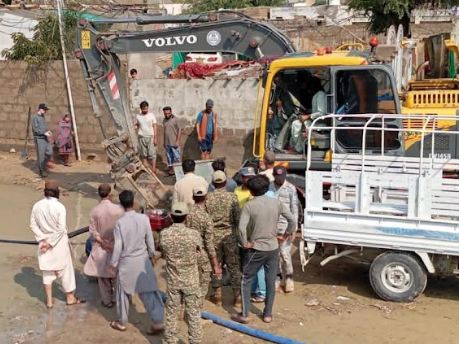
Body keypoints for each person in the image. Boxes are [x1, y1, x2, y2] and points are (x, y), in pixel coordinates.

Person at [232, 175, 295, 324]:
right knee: (270, 281)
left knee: (246, 280)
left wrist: (244, 242)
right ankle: (267, 315)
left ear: (251, 191)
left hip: (255, 249)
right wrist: (284, 235)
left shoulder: (249, 205)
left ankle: (245, 314)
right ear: (267, 188)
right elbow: (292, 220)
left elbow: (241, 228)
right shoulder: (276, 203)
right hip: (273, 248)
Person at [109, 190, 164, 334]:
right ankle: (158, 322)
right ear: (133, 202)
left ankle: (121, 322)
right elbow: (150, 240)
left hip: (127, 263)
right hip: (143, 261)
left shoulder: (119, 223)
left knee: (122, 293)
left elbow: (118, 246)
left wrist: (113, 264)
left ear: (121, 204)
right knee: (150, 292)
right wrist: (152, 255)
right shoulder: (144, 219)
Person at [30, 180, 84, 308]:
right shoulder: (60, 207)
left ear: (45, 192)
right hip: (58, 243)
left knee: (47, 273)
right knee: (66, 271)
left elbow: (32, 225)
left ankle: (49, 301)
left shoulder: (37, 206)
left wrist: (42, 239)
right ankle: (70, 297)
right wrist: (50, 243)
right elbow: (60, 229)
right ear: (57, 192)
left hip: (43, 243)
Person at [160, 202, 202, 344]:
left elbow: (164, 252)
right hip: (191, 280)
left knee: (172, 312)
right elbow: (199, 253)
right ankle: (194, 341)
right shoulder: (193, 234)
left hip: (173, 280)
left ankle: (170, 340)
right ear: (186, 216)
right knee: (193, 313)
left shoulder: (164, 234)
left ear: (171, 216)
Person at [83, 184, 124, 308]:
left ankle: (107, 301)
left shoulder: (95, 211)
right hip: (116, 246)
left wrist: (102, 242)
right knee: (117, 275)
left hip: (101, 247)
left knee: (103, 277)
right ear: (110, 194)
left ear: (99, 194)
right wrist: (112, 243)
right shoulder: (119, 209)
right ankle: (117, 299)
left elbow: (93, 232)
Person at [205, 171, 241, 306]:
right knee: (234, 266)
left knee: (216, 266)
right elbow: (238, 218)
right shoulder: (232, 197)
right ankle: (237, 297)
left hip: (214, 237)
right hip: (230, 236)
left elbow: (206, 220)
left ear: (213, 184)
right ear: (225, 182)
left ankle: (217, 295)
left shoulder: (208, 198)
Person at [186, 186, 221, 307]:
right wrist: (215, 264)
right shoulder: (206, 218)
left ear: (193, 197)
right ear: (206, 197)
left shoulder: (186, 213)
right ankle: (196, 310)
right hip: (201, 254)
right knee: (203, 281)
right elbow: (209, 244)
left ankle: (184, 307)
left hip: (186, 252)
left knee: (188, 281)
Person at [269, 166, 299, 293]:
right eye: (277, 176)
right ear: (274, 175)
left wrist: (294, 229)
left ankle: (289, 279)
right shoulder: (269, 187)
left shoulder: (291, 189)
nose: (279, 179)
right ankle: (277, 278)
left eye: (281, 176)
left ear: (285, 175)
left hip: (286, 226)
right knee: (274, 254)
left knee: (285, 254)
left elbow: (295, 209)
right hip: (272, 226)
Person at [136, 101, 158, 174]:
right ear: (141, 108)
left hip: (150, 137)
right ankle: (146, 168)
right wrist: (133, 127)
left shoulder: (151, 115)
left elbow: (155, 126)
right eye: (143, 109)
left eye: (146, 108)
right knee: (143, 154)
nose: (145, 110)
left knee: (152, 154)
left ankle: (154, 169)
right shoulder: (138, 116)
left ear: (148, 108)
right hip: (141, 137)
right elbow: (137, 125)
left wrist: (155, 138)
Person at [32, 103, 52, 178]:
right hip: (39, 139)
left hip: (45, 137)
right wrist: (44, 133)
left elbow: (44, 126)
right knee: (41, 156)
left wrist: (48, 131)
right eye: (44, 109)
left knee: (49, 152)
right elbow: (35, 129)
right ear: (40, 109)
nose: (46, 111)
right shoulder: (35, 118)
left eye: (46, 110)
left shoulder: (43, 117)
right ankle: (41, 171)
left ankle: (44, 166)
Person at [162, 106, 181, 176]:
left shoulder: (175, 120)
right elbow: (165, 132)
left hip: (174, 143)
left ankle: (179, 173)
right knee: (169, 157)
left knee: (177, 158)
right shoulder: (164, 120)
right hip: (167, 143)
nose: (167, 115)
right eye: (165, 114)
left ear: (171, 112)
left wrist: (177, 141)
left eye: (168, 113)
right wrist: (164, 142)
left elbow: (179, 130)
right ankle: (171, 171)